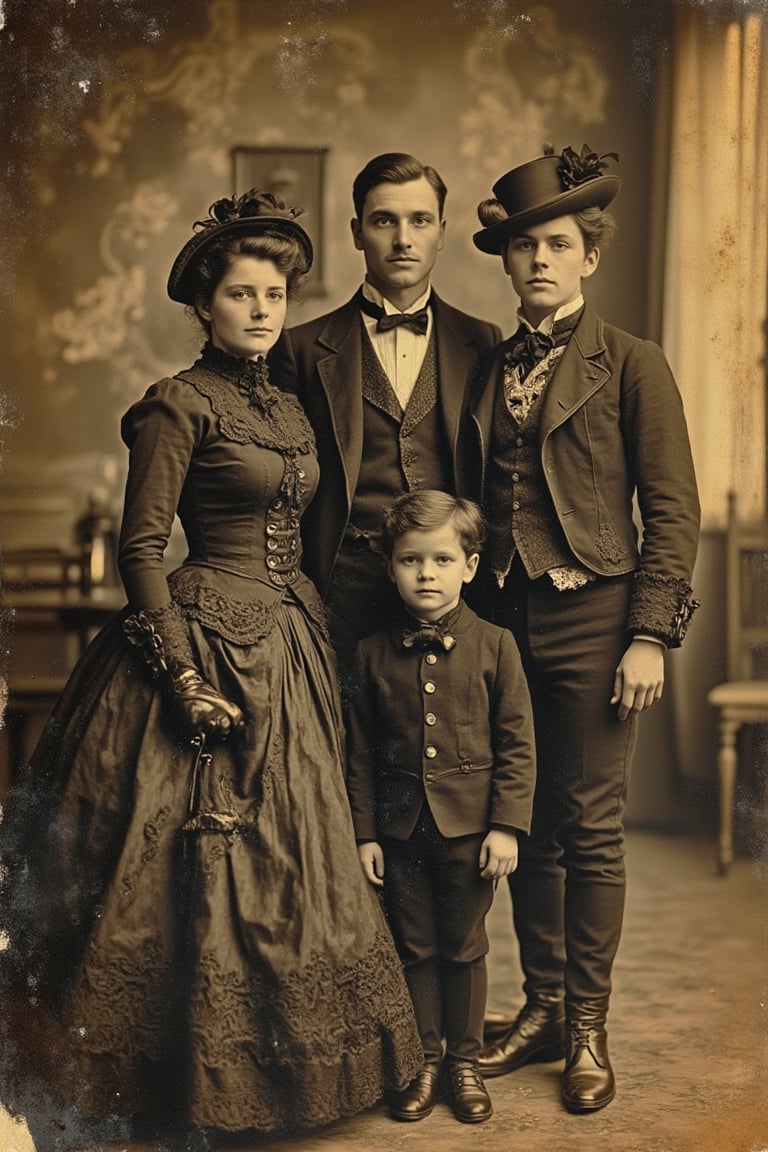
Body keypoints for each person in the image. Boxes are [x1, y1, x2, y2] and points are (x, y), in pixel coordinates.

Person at [0, 189, 422, 1145]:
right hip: (201, 638)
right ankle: (172, 1071)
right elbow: (140, 551)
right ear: (206, 305)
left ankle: (298, 1067)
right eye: (242, 294)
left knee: (302, 854)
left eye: (274, 292)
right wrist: (183, 673)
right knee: (181, 865)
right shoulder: (175, 406)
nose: (263, 309)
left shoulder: (287, 404)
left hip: (293, 644)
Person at [467, 145, 700, 1112]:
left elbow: (674, 511)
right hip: (500, 614)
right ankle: (545, 1006)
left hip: (598, 617)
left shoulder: (634, 361)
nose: (539, 262)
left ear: (588, 256)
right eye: (523, 248)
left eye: (557, 244)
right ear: (507, 261)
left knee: (590, 829)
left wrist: (648, 635)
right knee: (521, 821)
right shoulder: (482, 363)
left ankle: (590, 1026)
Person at [345, 490, 536, 1125]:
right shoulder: (370, 654)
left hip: (470, 830)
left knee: (465, 945)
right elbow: (359, 754)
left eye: (442, 559)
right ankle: (424, 1061)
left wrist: (506, 826)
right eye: (410, 561)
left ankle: (466, 1062)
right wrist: (365, 833)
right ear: (390, 567)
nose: (427, 574)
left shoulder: (496, 646)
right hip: (400, 831)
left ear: (470, 566)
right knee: (414, 944)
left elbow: (517, 747)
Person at [269, 152, 501, 673]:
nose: (403, 239)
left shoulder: (482, 342)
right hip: (342, 590)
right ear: (356, 232)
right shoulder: (302, 348)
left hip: (450, 593)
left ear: (441, 232)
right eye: (383, 221)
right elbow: (281, 486)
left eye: (419, 221)